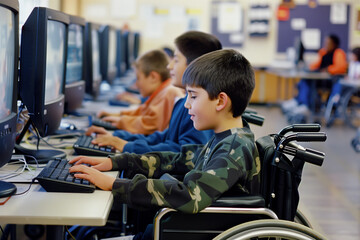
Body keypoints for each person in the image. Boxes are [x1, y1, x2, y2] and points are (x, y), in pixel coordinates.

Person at [69, 49, 260, 239]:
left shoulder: (233, 148)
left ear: (220, 101)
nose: (186, 104)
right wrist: (118, 162)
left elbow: (191, 196)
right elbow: (178, 159)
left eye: (193, 96)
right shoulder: (226, 138)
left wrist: (115, 184)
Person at [86, 31, 222, 153]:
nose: (169, 66)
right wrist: (117, 137)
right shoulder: (184, 102)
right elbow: (163, 137)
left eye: (176, 60)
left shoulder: (198, 108)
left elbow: (184, 154)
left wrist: (127, 146)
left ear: (195, 65)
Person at [96, 49, 184, 135]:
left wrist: (121, 122)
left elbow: (151, 125)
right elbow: (142, 112)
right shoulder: (162, 91)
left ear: (153, 77)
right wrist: (115, 115)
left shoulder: (168, 92)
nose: (136, 85)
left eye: (138, 78)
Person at [282, 34, 348, 117]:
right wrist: (308, 67)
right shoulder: (324, 52)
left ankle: (304, 104)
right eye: (325, 42)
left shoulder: (338, 53)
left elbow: (341, 67)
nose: (325, 44)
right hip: (320, 79)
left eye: (328, 42)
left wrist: (328, 69)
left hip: (330, 81)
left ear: (334, 44)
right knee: (304, 80)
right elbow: (317, 64)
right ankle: (299, 101)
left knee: (307, 82)